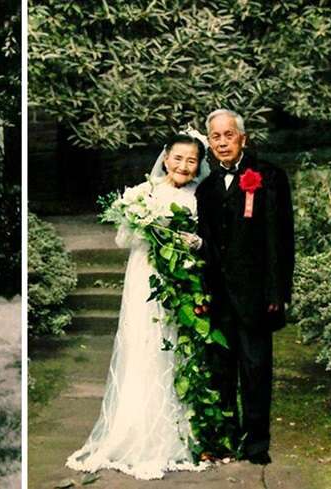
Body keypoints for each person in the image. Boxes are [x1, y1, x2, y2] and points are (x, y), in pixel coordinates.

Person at [66, 132, 211, 480]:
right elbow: (123, 238)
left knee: (178, 346)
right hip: (146, 277)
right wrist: (143, 224)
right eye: (178, 158)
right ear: (165, 157)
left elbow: (212, 238)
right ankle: (136, 428)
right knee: (144, 346)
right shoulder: (144, 193)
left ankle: (178, 429)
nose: (184, 166)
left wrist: (196, 241)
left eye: (191, 160)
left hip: (182, 281)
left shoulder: (201, 197)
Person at [195, 109, 294, 465]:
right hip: (218, 297)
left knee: (255, 370)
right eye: (216, 137)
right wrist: (202, 292)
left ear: (243, 138)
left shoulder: (268, 177)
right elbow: (205, 243)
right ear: (209, 143)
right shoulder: (205, 189)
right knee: (221, 372)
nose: (222, 142)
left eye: (228, 135)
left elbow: (281, 239)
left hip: (256, 296)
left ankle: (257, 443)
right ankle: (226, 439)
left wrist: (276, 292)